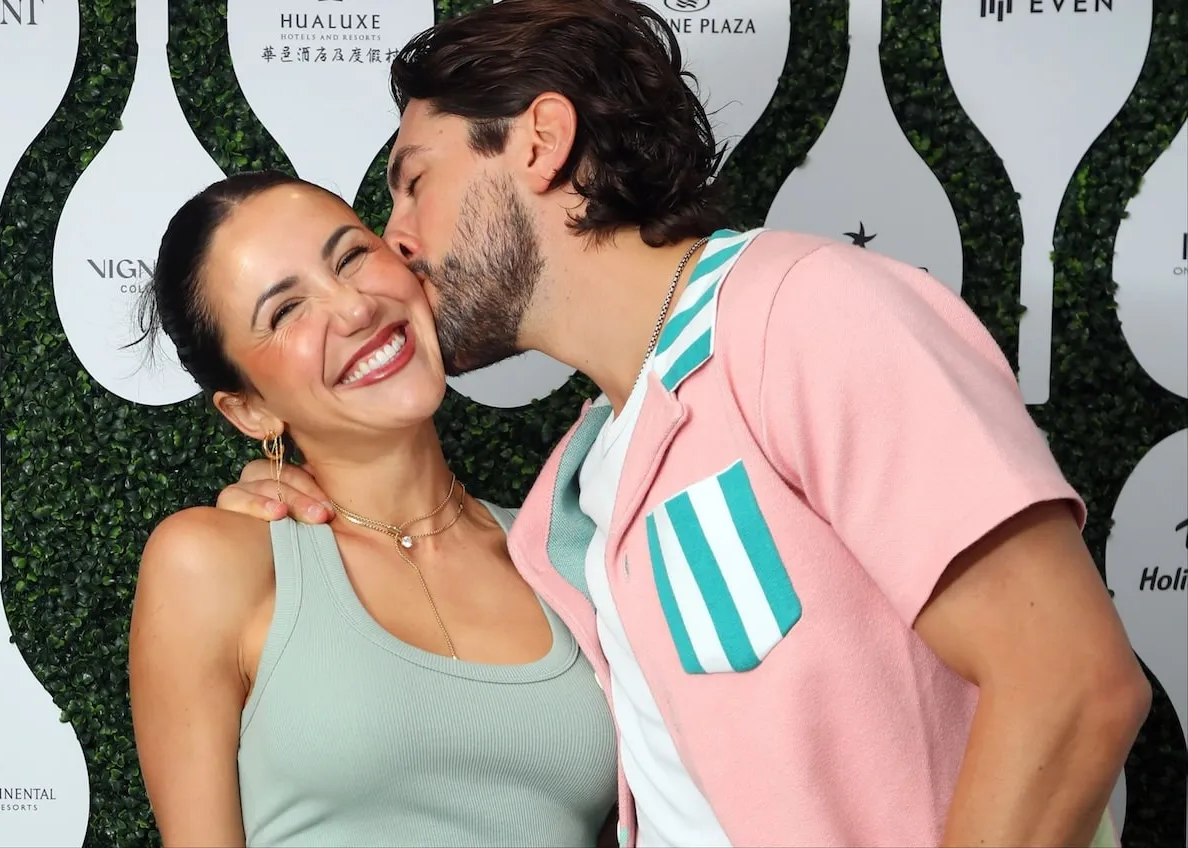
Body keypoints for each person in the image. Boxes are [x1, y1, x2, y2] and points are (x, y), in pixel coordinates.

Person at [213, 1, 1151, 846]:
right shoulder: (568, 497)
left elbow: (1070, 685)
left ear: (539, 140)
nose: (399, 236)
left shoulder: (804, 314)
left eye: (415, 180)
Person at [126, 170, 619, 848]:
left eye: (352, 256)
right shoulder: (211, 563)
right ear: (249, 408)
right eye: (285, 311)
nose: (354, 308)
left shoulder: (563, 548)